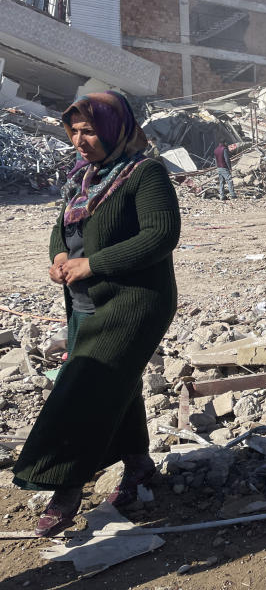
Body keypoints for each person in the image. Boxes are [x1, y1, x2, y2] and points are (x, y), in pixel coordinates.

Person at [12, 91, 181, 537]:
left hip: (135, 303)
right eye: (74, 130)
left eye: (89, 130)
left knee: (82, 390)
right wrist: (58, 260)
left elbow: (161, 236)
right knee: (117, 384)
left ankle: (64, 488)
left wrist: (94, 264)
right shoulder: (83, 179)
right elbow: (62, 230)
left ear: (115, 128)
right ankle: (139, 464)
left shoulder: (146, 174)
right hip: (85, 303)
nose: (79, 140)